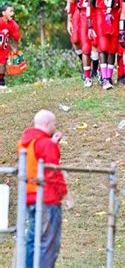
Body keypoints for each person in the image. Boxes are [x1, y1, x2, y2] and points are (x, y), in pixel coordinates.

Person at [17, 110, 71, 268]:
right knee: (48, 244)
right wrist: (65, 195)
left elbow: (37, 161)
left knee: (33, 241)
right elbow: (53, 173)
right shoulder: (45, 144)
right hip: (47, 198)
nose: (55, 127)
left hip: (30, 196)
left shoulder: (26, 143)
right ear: (48, 124)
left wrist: (52, 144)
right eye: (54, 124)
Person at [0, 4, 21, 89]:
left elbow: (16, 37)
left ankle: (1, 82)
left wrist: (15, 48)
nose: (13, 13)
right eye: (10, 11)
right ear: (4, 13)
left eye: (13, 11)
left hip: (4, 47)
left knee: (3, 64)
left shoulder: (12, 24)